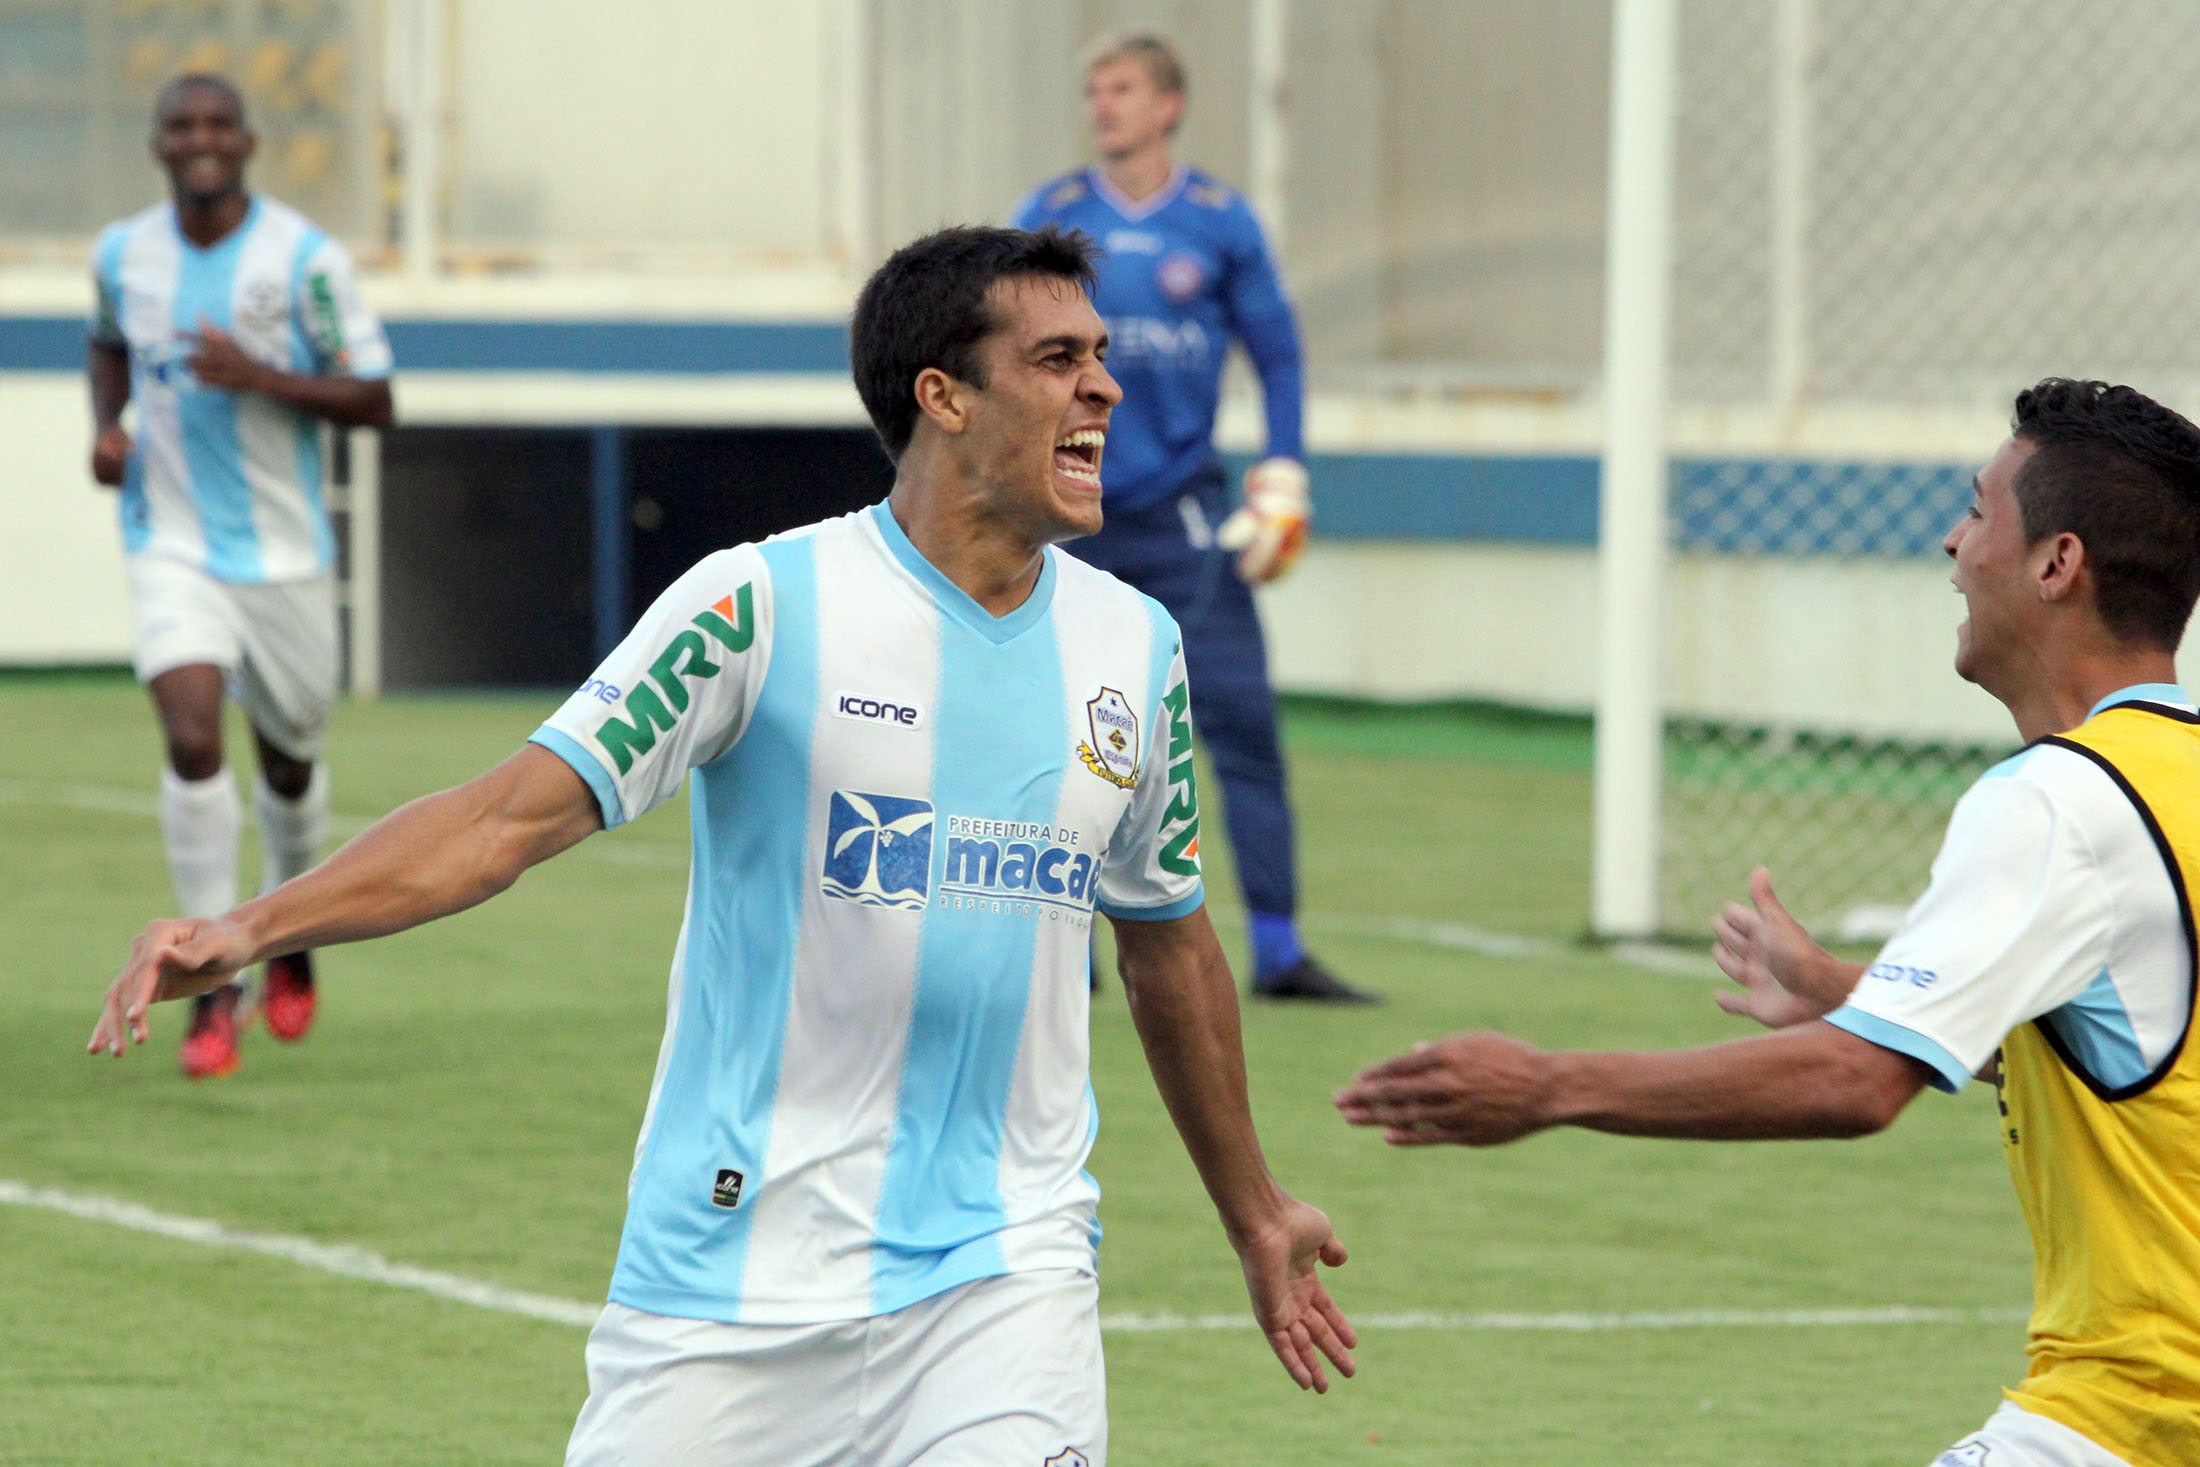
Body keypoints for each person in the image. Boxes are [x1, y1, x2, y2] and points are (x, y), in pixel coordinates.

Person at [92, 225, 1354, 1465]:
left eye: (1102, 355)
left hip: (1005, 1276)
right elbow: (502, 820)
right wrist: (255, 927)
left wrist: (1253, 1210)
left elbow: (1170, 947)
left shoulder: (1135, 648)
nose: (1105, 386)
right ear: (943, 397)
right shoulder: (757, 605)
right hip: (727, 1284)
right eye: (1058, 357)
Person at [1336, 378, 2200, 1467]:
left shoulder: (2058, 801)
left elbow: (1853, 1087)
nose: (1951, 540)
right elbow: (2146, 1057)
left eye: (1978, 510)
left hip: (2133, 1422)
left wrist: (1548, 1085)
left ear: (2055, 563)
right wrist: (1855, 994)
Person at [1010, 34, 1375, 1003]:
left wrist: (1283, 475)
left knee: (1240, 724)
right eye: (1093, 90)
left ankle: (1281, 950)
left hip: (1182, 520)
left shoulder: (1218, 221)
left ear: (1167, 104)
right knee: (1048, 733)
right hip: (1066, 521)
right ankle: (1059, 955)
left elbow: (1280, 357)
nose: (1102, 106)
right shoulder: (1050, 218)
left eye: (1120, 89)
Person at [87, 72, 395, 1079]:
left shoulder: (303, 261)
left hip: (286, 559)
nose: (201, 139)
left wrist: (258, 376)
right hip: (170, 545)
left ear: (249, 142)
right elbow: (105, 343)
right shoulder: (122, 255)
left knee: (291, 764)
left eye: (218, 124)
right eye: (182, 124)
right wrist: (107, 425)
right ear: (159, 144)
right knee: (188, 735)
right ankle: (210, 988)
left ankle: (290, 931)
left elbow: (375, 399)